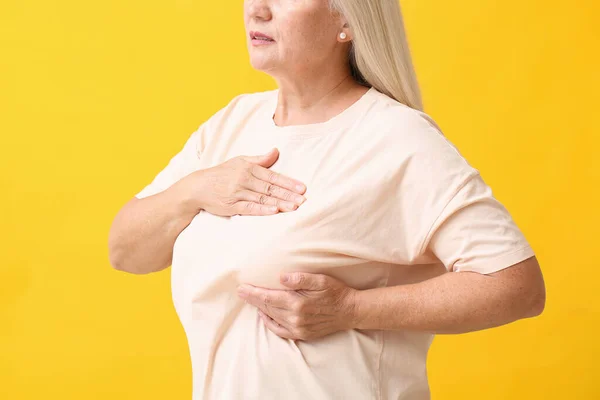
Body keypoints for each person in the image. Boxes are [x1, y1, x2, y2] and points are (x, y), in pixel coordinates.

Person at [108, 0, 546, 399]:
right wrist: (197, 188)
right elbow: (126, 251)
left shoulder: (396, 138)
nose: (257, 9)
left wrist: (352, 308)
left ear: (347, 21)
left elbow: (518, 286)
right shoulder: (231, 124)